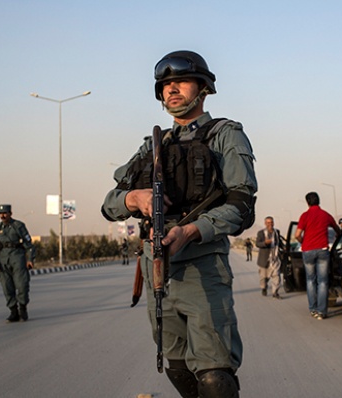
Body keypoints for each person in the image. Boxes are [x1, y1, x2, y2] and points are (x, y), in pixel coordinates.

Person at [101, 50, 257, 397]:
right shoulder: (153, 146)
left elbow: (242, 207)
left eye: (181, 82)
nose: (172, 90)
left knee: (215, 377)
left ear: (203, 88)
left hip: (203, 265)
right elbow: (109, 203)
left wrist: (190, 231)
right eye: (166, 85)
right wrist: (133, 199)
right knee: (177, 367)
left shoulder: (224, 135)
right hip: (158, 268)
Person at [295, 192, 340, 320]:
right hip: (322, 250)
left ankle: (313, 309)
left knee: (310, 280)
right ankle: (321, 311)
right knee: (323, 282)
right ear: (319, 201)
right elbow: (337, 229)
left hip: (308, 251)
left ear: (307, 202)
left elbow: (297, 234)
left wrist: (303, 242)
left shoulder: (304, 216)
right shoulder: (325, 215)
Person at [0, 204, 35, 322]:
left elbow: (29, 245)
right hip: (3, 260)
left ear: (10, 213)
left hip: (18, 258)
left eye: (5, 213)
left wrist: (30, 259)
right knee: (7, 287)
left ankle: (23, 308)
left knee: (22, 285)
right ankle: (13, 311)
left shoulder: (18, 226)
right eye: (1, 214)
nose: (2, 216)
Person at [255, 216, 282, 299]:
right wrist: (265, 243)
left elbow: (279, 243)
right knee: (264, 277)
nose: (270, 224)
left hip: (275, 259)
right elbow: (257, 244)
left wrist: (284, 247)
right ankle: (263, 288)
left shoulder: (277, 232)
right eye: (268, 223)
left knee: (276, 275)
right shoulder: (261, 233)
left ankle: (275, 292)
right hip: (264, 260)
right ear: (265, 224)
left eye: (271, 222)